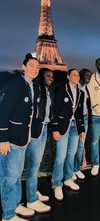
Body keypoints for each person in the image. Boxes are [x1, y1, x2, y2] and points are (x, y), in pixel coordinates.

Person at [0, 53, 40, 221]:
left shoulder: (29, 85)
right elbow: (3, 110)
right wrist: (3, 139)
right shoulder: (17, 83)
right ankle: (8, 216)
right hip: (13, 139)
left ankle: (15, 205)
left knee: (15, 175)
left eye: (37, 66)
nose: (35, 69)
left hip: (22, 138)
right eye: (31, 65)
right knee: (10, 177)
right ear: (23, 67)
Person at [52, 69, 85, 201]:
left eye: (78, 75)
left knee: (71, 154)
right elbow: (54, 109)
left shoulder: (81, 93)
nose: (77, 77)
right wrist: (55, 128)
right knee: (61, 156)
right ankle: (57, 183)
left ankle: (68, 178)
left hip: (75, 127)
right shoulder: (61, 89)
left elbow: (80, 113)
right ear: (68, 76)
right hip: (62, 127)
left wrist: (82, 129)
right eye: (74, 75)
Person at [25, 69, 54, 213]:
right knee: (33, 164)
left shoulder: (47, 90)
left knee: (36, 163)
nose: (51, 78)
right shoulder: (36, 89)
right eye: (48, 76)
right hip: (38, 128)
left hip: (45, 127)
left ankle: (33, 191)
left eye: (52, 76)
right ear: (41, 76)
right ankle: (31, 199)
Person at [73, 69, 92, 180]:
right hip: (75, 120)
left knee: (80, 146)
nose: (88, 77)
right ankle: (70, 171)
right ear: (80, 76)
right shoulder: (75, 87)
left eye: (90, 76)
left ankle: (76, 169)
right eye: (86, 75)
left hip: (84, 119)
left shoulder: (86, 88)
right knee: (72, 148)